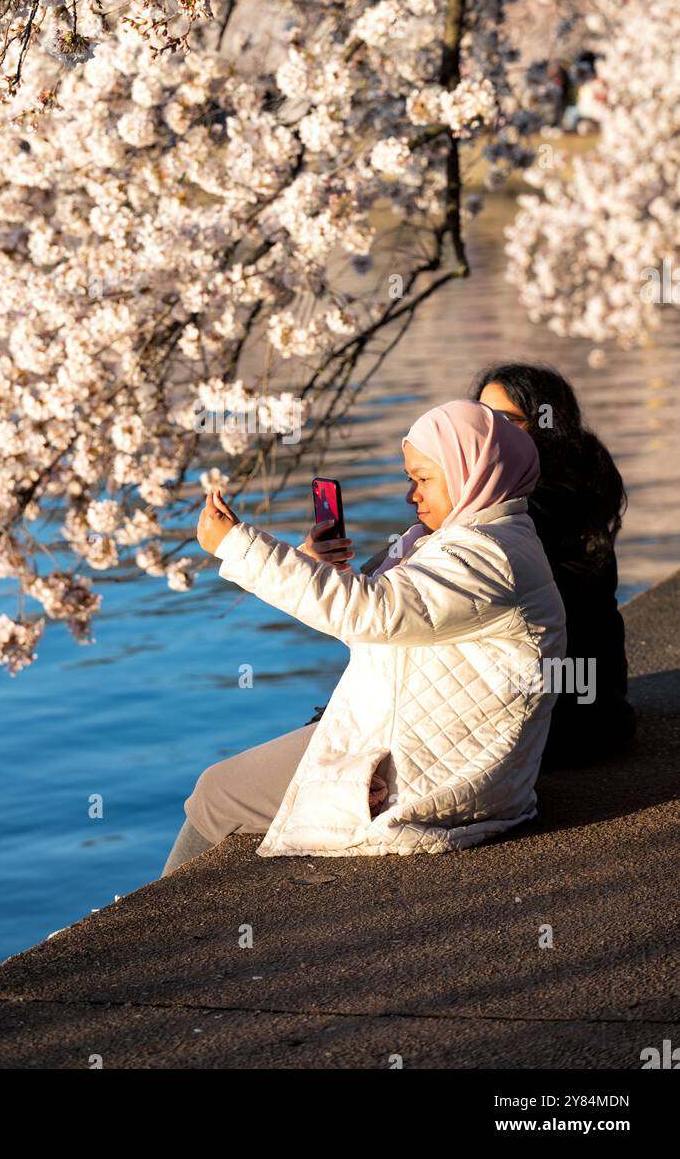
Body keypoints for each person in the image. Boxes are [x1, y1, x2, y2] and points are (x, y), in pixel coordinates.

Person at [159, 399, 566, 877]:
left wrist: (237, 546)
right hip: (437, 743)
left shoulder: (484, 557)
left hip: (433, 773)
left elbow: (372, 612)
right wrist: (321, 567)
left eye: (423, 478)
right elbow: (388, 630)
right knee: (231, 786)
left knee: (215, 793)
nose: (411, 495)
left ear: (468, 470)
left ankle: (148, 935)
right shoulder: (476, 540)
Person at [472, 362, 637, 770]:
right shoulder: (577, 481)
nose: (489, 432)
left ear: (545, 425)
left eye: (508, 420)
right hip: (597, 705)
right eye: (482, 418)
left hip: (558, 723)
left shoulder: (530, 509)